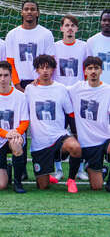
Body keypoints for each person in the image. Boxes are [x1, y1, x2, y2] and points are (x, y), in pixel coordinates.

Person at [25, 55, 82, 193]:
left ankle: (71, 180)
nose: (45, 71)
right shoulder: (29, 89)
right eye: (41, 67)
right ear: (37, 70)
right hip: (40, 143)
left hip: (58, 136)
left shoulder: (61, 88)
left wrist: (76, 134)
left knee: (75, 147)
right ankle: (47, 176)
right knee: (42, 186)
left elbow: (70, 113)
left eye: (48, 67)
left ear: (53, 70)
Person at [0, 61, 29, 193]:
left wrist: (15, 134)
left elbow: (25, 122)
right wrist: (6, 134)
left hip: (15, 138)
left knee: (15, 143)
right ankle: (8, 169)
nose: (3, 79)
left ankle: (18, 182)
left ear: (11, 76)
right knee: (1, 185)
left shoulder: (20, 97)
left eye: (6, 75)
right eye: (0, 75)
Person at [53, 15, 89, 181]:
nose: (69, 28)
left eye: (72, 26)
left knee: (78, 132)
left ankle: (80, 168)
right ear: (61, 28)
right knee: (57, 133)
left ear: (76, 29)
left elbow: (87, 69)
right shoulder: (54, 47)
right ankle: (58, 168)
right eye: (66, 25)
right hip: (59, 97)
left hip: (77, 98)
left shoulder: (84, 46)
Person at [67, 56, 110, 191]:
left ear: (101, 71)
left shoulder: (108, 90)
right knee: (96, 187)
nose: (93, 71)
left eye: (96, 68)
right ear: (85, 71)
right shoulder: (76, 88)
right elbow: (56, 89)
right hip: (87, 143)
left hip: (105, 138)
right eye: (90, 68)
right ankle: (99, 170)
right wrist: (37, 82)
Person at [5, 1, 55, 92]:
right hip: (18, 84)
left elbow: (50, 62)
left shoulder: (46, 34)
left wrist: (40, 81)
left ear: (37, 13)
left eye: (32, 9)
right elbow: (10, 63)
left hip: (40, 83)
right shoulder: (12, 35)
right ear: (22, 12)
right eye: (26, 9)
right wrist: (16, 85)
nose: (29, 12)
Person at [87, 10, 110, 84]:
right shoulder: (92, 41)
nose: (107, 23)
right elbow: (88, 66)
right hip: (99, 87)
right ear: (100, 22)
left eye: (109, 20)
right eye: (104, 20)